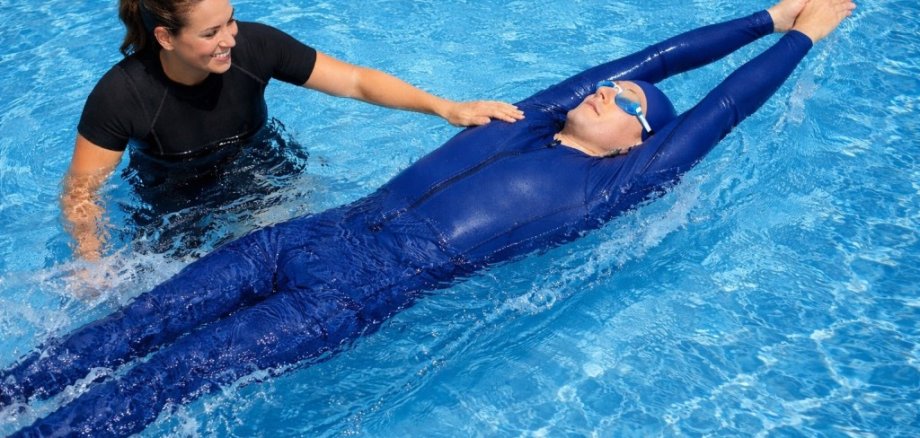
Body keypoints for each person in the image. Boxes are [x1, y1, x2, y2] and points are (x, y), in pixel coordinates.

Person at [3, 0, 854, 435]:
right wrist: (771, 12)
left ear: (639, 141)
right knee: (131, 325)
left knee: (165, 381)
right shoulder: (525, 118)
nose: (605, 88)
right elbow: (653, 56)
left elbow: (725, 104)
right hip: (306, 235)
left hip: (345, 297)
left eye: (622, 100)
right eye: (605, 86)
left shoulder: (615, 186)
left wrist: (803, 40)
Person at [62, 0, 526, 261]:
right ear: (166, 38)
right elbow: (83, 190)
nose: (229, 39)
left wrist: (445, 108)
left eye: (230, 21)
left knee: (307, 258)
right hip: (175, 201)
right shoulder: (123, 94)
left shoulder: (255, 47)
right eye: (210, 34)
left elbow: (355, 81)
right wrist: (90, 262)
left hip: (261, 171)